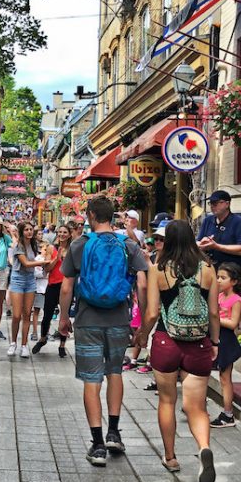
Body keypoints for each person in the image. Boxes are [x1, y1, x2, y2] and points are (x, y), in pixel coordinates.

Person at [59, 196, 149, 467]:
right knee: (114, 373)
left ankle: (97, 445)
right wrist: (142, 323)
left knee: (91, 380)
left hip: (88, 319)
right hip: (119, 319)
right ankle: (113, 432)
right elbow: (142, 285)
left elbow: (66, 287)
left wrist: (64, 318)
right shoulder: (128, 245)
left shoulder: (80, 244)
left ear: (90, 215)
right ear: (112, 217)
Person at [134, 219, 220, 482]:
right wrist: (215, 342)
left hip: (165, 342)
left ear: (168, 240)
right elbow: (215, 312)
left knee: (167, 401)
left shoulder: (158, 269)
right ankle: (204, 448)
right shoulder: (207, 268)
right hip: (199, 343)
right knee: (196, 407)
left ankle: (170, 456)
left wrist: (142, 335)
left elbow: (150, 313)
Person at [210, 262, 241, 428]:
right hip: (215, 336)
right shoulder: (219, 295)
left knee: (225, 378)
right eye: (218, 277)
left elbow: (233, 323)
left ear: (234, 281)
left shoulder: (236, 300)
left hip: (227, 339)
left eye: (223, 278)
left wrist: (216, 318)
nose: (219, 281)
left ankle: (228, 413)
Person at [7, 221, 47, 358]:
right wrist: (42, 262)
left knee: (27, 314)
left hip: (30, 280)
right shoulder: (19, 245)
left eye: (31, 229)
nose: (29, 232)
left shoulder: (34, 244)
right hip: (18, 279)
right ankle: (13, 343)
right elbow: (25, 263)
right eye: (26, 230)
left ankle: (24, 345)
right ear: (21, 231)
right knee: (16, 315)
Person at [33, 224, 70, 356]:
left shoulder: (72, 249)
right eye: (60, 232)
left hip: (67, 286)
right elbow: (47, 269)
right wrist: (57, 258)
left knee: (64, 316)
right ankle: (42, 339)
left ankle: (62, 345)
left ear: (69, 234)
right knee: (47, 314)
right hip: (53, 284)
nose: (62, 234)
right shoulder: (50, 248)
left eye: (65, 232)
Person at [196, 190, 241, 267]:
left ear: (227, 204)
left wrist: (216, 246)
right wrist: (203, 243)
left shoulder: (238, 221)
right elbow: (198, 242)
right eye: (210, 203)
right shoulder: (207, 220)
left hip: (230, 270)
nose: (212, 206)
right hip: (209, 267)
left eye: (215, 203)